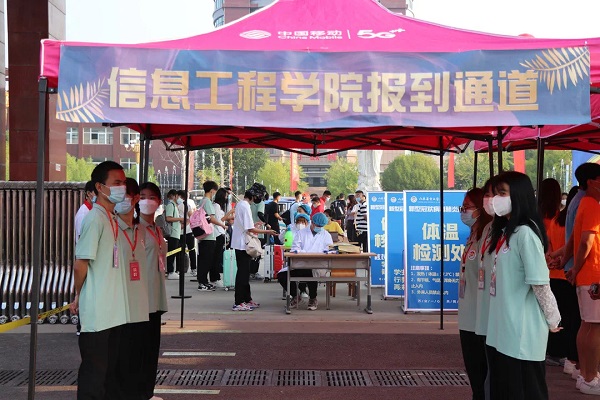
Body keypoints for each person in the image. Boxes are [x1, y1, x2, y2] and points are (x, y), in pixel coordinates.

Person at [485, 171, 561, 400]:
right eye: (495, 193)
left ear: (518, 195)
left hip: (521, 333)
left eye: (502, 193)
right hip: (501, 330)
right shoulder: (505, 233)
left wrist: (553, 318)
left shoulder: (525, 234)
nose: (495, 199)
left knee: (526, 391)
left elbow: (540, 283)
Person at [70, 161, 128, 399]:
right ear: (100, 187)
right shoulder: (94, 218)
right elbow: (81, 263)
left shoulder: (111, 218)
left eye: (123, 183)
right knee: (94, 375)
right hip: (96, 313)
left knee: (107, 373)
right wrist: (79, 295)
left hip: (111, 311)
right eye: (116, 183)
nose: (122, 188)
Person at [564, 165, 600, 394]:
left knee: (587, 325)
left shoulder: (583, 203)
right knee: (594, 327)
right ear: (591, 182)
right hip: (593, 274)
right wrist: (576, 268)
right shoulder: (592, 205)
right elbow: (586, 241)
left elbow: (574, 241)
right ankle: (589, 377)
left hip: (587, 275)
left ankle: (585, 374)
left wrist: (570, 264)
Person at [114, 178, 150, 400]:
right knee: (119, 357)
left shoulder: (141, 230)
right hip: (118, 304)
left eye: (125, 195)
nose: (121, 200)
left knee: (136, 355)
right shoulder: (110, 227)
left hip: (139, 305)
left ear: (134, 198)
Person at [458, 187, 492, 400]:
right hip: (468, 316)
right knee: (474, 372)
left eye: (467, 207)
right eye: (462, 208)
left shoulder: (487, 236)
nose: (464, 212)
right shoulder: (473, 235)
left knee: (482, 373)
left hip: (481, 318)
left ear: (480, 208)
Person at [547, 186, 581, 377]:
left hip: (553, 274)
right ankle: (569, 356)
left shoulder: (556, 220)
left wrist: (552, 258)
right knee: (572, 318)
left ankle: (555, 352)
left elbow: (549, 244)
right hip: (569, 274)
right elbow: (573, 245)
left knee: (557, 316)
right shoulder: (576, 222)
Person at [139, 182, 168, 400]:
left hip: (156, 299)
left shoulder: (157, 230)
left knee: (151, 350)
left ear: (158, 202)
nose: (146, 201)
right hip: (140, 299)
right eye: (142, 197)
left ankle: (148, 392)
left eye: (151, 197)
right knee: (138, 351)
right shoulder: (134, 229)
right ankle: (138, 393)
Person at [538, 179, 570, 367]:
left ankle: (549, 349)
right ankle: (559, 351)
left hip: (547, 271)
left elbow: (546, 245)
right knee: (563, 314)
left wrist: (549, 259)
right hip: (564, 271)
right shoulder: (561, 218)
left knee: (546, 313)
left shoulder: (537, 218)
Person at [230, 187, 276, 311]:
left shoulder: (241, 204)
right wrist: (268, 231)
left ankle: (246, 299)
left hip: (240, 243)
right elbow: (249, 229)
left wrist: (255, 226)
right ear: (254, 196)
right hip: (243, 245)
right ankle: (239, 302)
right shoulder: (245, 206)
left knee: (245, 273)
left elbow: (246, 226)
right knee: (243, 274)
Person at [283, 212, 334, 311]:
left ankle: (313, 298)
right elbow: (295, 248)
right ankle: (296, 296)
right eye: (318, 225)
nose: (319, 228)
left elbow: (329, 249)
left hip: (318, 264)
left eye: (321, 226)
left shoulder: (326, 235)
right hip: (301, 263)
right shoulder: (301, 233)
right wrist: (303, 253)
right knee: (282, 275)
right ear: (312, 222)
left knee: (311, 271)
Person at [197, 181, 227, 291]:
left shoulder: (202, 201)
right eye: (214, 191)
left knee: (204, 259)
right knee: (206, 260)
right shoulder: (208, 202)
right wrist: (222, 225)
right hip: (208, 235)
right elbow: (212, 219)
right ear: (212, 190)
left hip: (203, 234)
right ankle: (202, 283)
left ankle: (204, 281)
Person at [212, 188, 235, 288]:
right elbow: (220, 219)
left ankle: (215, 277)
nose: (226, 198)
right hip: (218, 233)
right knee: (216, 257)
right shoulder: (216, 206)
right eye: (225, 196)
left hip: (220, 232)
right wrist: (229, 213)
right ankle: (215, 278)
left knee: (218, 257)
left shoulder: (219, 207)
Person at [177, 190, 197, 277]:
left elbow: (191, 217)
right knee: (180, 251)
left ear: (180, 196)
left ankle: (193, 268)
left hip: (187, 231)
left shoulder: (186, 205)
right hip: (181, 231)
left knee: (190, 250)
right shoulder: (177, 205)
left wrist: (185, 224)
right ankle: (181, 269)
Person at [249, 183, 267, 280]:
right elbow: (260, 214)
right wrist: (266, 223)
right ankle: (254, 272)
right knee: (257, 253)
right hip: (258, 230)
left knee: (249, 251)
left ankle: (249, 272)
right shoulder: (261, 203)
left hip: (249, 230)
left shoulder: (249, 202)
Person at [164, 189, 182, 280]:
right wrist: (180, 219)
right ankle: (170, 271)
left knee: (174, 252)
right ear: (173, 196)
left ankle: (172, 271)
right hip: (172, 233)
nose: (178, 198)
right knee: (171, 253)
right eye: (177, 196)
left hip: (176, 232)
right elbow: (168, 218)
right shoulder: (170, 205)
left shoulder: (175, 205)